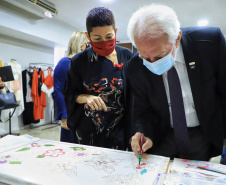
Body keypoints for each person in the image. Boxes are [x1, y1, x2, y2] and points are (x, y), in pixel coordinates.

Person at [126, 4, 226, 161]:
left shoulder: (209, 42)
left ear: (177, 38)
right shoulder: (135, 67)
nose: (152, 63)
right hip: (163, 134)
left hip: (202, 131)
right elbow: (142, 110)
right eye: (145, 56)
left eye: (159, 56)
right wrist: (143, 132)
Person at [64, 7, 133, 149]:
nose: (104, 43)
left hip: (121, 131)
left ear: (116, 32)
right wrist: (85, 97)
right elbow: (69, 92)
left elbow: (137, 94)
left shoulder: (127, 56)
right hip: (88, 132)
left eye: (109, 37)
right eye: (97, 39)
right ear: (88, 36)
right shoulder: (79, 61)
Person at [53, 31, 89, 143]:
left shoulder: (84, 63)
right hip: (71, 113)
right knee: (71, 145)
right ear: (80, 44)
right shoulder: (65, 62)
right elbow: (58, 91)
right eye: (86, 44)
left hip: (85, 112)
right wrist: (64, 117)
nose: (87, 47)